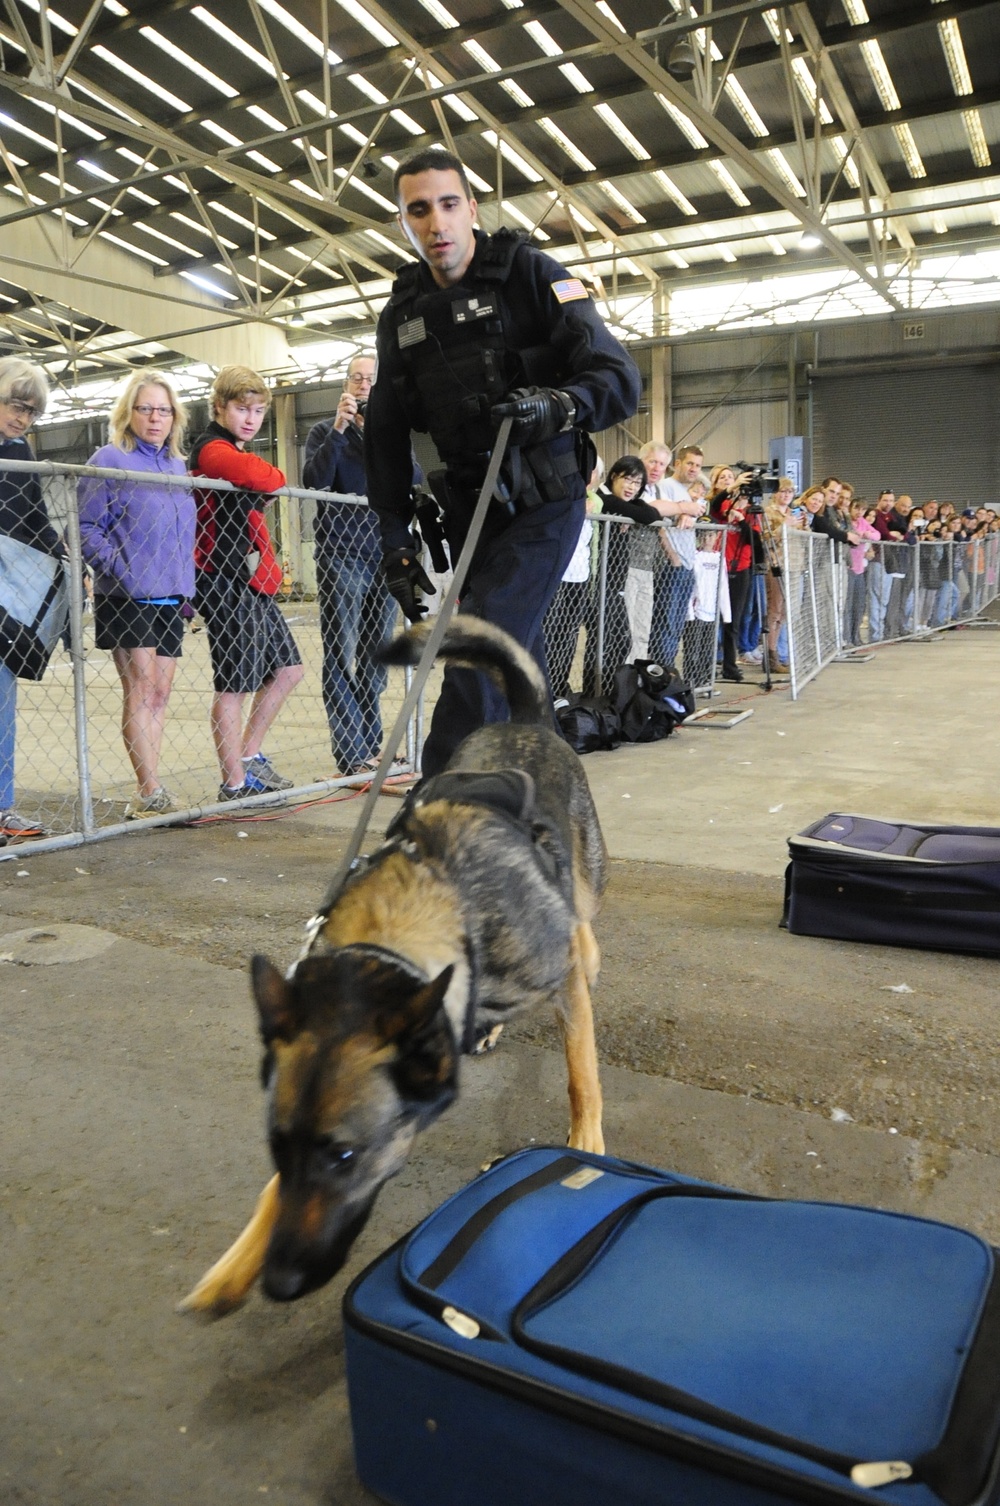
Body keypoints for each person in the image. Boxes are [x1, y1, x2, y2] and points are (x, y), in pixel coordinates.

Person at [363, 147, 641, 777]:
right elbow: (384, 427)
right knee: (522, 669)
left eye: (449, 205)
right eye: (419, 211)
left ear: (473, 209)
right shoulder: (402, 313)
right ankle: (539, 802)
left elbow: (619, 377)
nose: (437, 224)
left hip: (546, 502)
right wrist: (392, 535)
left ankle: (434, 808)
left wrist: (562, 405)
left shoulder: (531, 274)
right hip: (468, 514)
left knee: (483, 640)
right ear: (404, 223)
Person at [78, 371, 192, 819]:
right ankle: (150, 790)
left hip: (170, 596)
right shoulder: (109, 458)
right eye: (145, 408)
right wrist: (120, 571)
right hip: (127, 596)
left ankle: (152, 789)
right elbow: (86, 527)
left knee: (160, 694)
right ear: (129, 413)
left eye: (163, 410)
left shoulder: (177, 466)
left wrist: (186, 587)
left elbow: (183, 533)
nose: (155, 418)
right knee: (141, 690)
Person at [189, 366, 304, 802]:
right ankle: (233, 782)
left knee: (289, 670)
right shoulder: (211, 450)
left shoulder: (232, 453)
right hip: (220, 578)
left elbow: (266, 481)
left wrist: (263, 476)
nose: (252, 418)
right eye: (242, 408)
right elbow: (268, 478)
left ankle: (249, 756)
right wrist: (263, 474)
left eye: (258, 410)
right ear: (219, 407)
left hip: (249, 579)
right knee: (233, 686)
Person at [302, 353, 418, 780]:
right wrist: (339, 429)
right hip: (342, 555)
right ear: (346, 385)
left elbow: (414, 477)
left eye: (372, 379)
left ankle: (370, 748)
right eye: (357, 378)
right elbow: (314, 480)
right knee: (341, 655)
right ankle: (351, 753)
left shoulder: (387, 432)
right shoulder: (322, 431)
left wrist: (379, 438)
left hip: (382, 555)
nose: (365, 385)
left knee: (374, 658)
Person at [0, 357, 59, 839]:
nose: (22, 417)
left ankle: (1, 807)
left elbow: (37, 518)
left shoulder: (22, 454)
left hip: (7, 596)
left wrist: (66, 559)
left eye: (32, 412)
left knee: (2, 695)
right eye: (15, 406)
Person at [647, 444, 705, 670]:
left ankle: (667, 671)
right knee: (666, 623)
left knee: (677, 624)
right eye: (689, 463)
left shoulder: (687, 493)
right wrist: (673, 557)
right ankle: (661, 672)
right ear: (677, 463)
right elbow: (659, 520)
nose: (693, 469)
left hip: (687, 565)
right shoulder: (666, 486)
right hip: (672, 566)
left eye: (698, 466)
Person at [708, 464, 762, 682]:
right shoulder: (726, 505)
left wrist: (742, 521)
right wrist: (733, 489)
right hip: (718, 566)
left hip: (741, 569)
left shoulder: (752, 513)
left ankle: (730, 665)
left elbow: (756, 543)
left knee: (734, 620)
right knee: (711, 618)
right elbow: (713, 506)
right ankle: (708, 663)